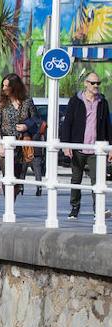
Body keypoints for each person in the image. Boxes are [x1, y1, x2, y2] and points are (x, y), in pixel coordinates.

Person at [60, 71, 112, 219]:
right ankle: (75, 208)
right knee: (76, 180)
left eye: (98, 83)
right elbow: (67, 124)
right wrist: (66, 145)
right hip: (78, 148)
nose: (96, 86)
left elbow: (108, 125)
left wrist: (110, 147)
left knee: (98, 179)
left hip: (96, 149)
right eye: (93, 83)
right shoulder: (75, 101)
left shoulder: (102, 102)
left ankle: (98, 209)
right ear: (86, 83)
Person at [0, 73, 38, 199]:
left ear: (15, 86)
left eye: (7, 86)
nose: (4, 88)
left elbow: (35, 119)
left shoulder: (27, 101)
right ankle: (9, 206)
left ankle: (12, 200)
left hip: (21, 144)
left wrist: (26, 126)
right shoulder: (1, 103)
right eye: (3, 85)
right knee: (7, 176)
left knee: (17, 177)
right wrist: (0, 146)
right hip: (4, 144)